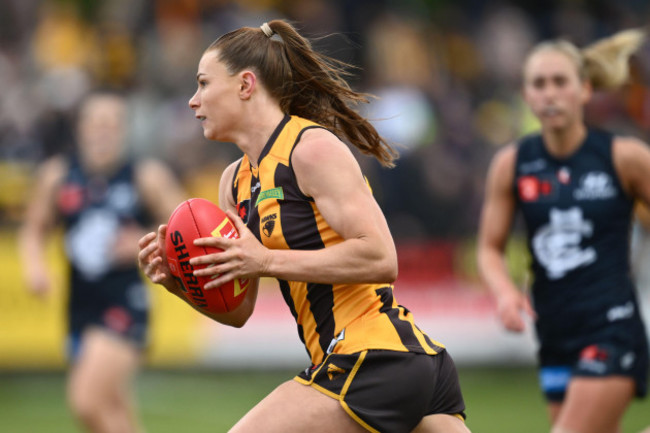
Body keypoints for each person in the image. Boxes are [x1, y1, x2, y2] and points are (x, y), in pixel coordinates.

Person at [138, 20, 470, 433]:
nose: (192, 101)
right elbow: (239, 311)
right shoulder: (233, 182)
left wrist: (265, 259)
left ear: (245, 85)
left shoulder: (311, 149)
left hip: (374, 357)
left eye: (203, 83)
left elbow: (382, 257)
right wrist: (180, 281)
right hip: (392, 364)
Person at [477, 28, 650, 433]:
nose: (549, 93)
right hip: (554, 332)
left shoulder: (623, 157)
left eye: (560, 82)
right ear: (526, 94)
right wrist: (504, 293)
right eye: (539, 84)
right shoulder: (512, 164)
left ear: (585, 90)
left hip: (612, 325)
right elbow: (489, 247)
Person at [19, 90, 186, 433]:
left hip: (124, 301)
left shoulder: (145, 175)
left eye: (112, 123)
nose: (103, 131)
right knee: (110, 410)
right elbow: (34, 229)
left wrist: (143, 239)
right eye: (95, 122)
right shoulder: (58, 175)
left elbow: (189, 230)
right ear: (81, 128)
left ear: (123, 130)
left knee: (87, 400)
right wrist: (34, 267)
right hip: (79, 305)